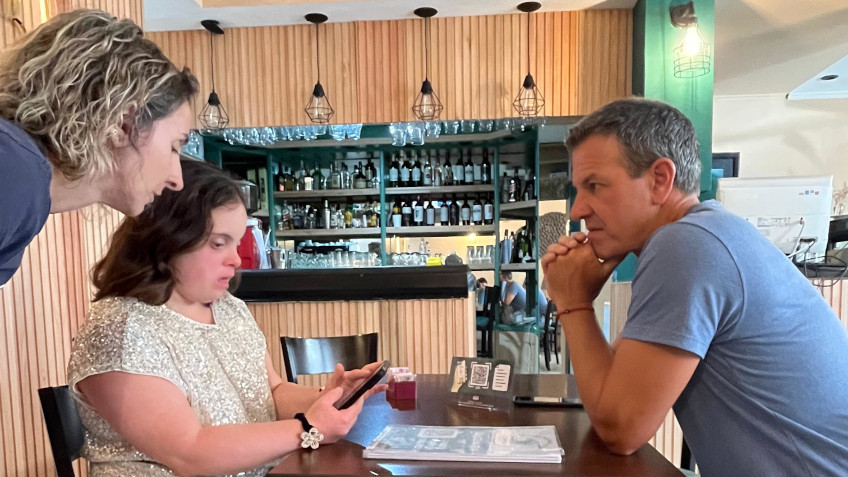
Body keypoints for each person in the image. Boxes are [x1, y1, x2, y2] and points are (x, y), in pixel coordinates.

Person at [541, 98, 848, 476]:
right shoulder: (705, 233)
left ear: (659, 180)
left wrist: (572, 300)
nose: (577, 210)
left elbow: (621, 429)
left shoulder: (686, 245)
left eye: (595, 186)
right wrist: (576, 297)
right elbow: (613, 388)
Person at [67, 160, 386, 476]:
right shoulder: (121, 329)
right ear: (166, 239)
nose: (235, 260)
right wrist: (307, 427)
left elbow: (271, 393)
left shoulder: (229, 309)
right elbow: (189, 454)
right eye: (218, 243)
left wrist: (329, 399)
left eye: (236, 243)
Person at [0, 9, 198, 286]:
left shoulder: (23, 177)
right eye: (175, 146)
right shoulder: (15, 175)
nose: (177, 180)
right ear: (123, 124)